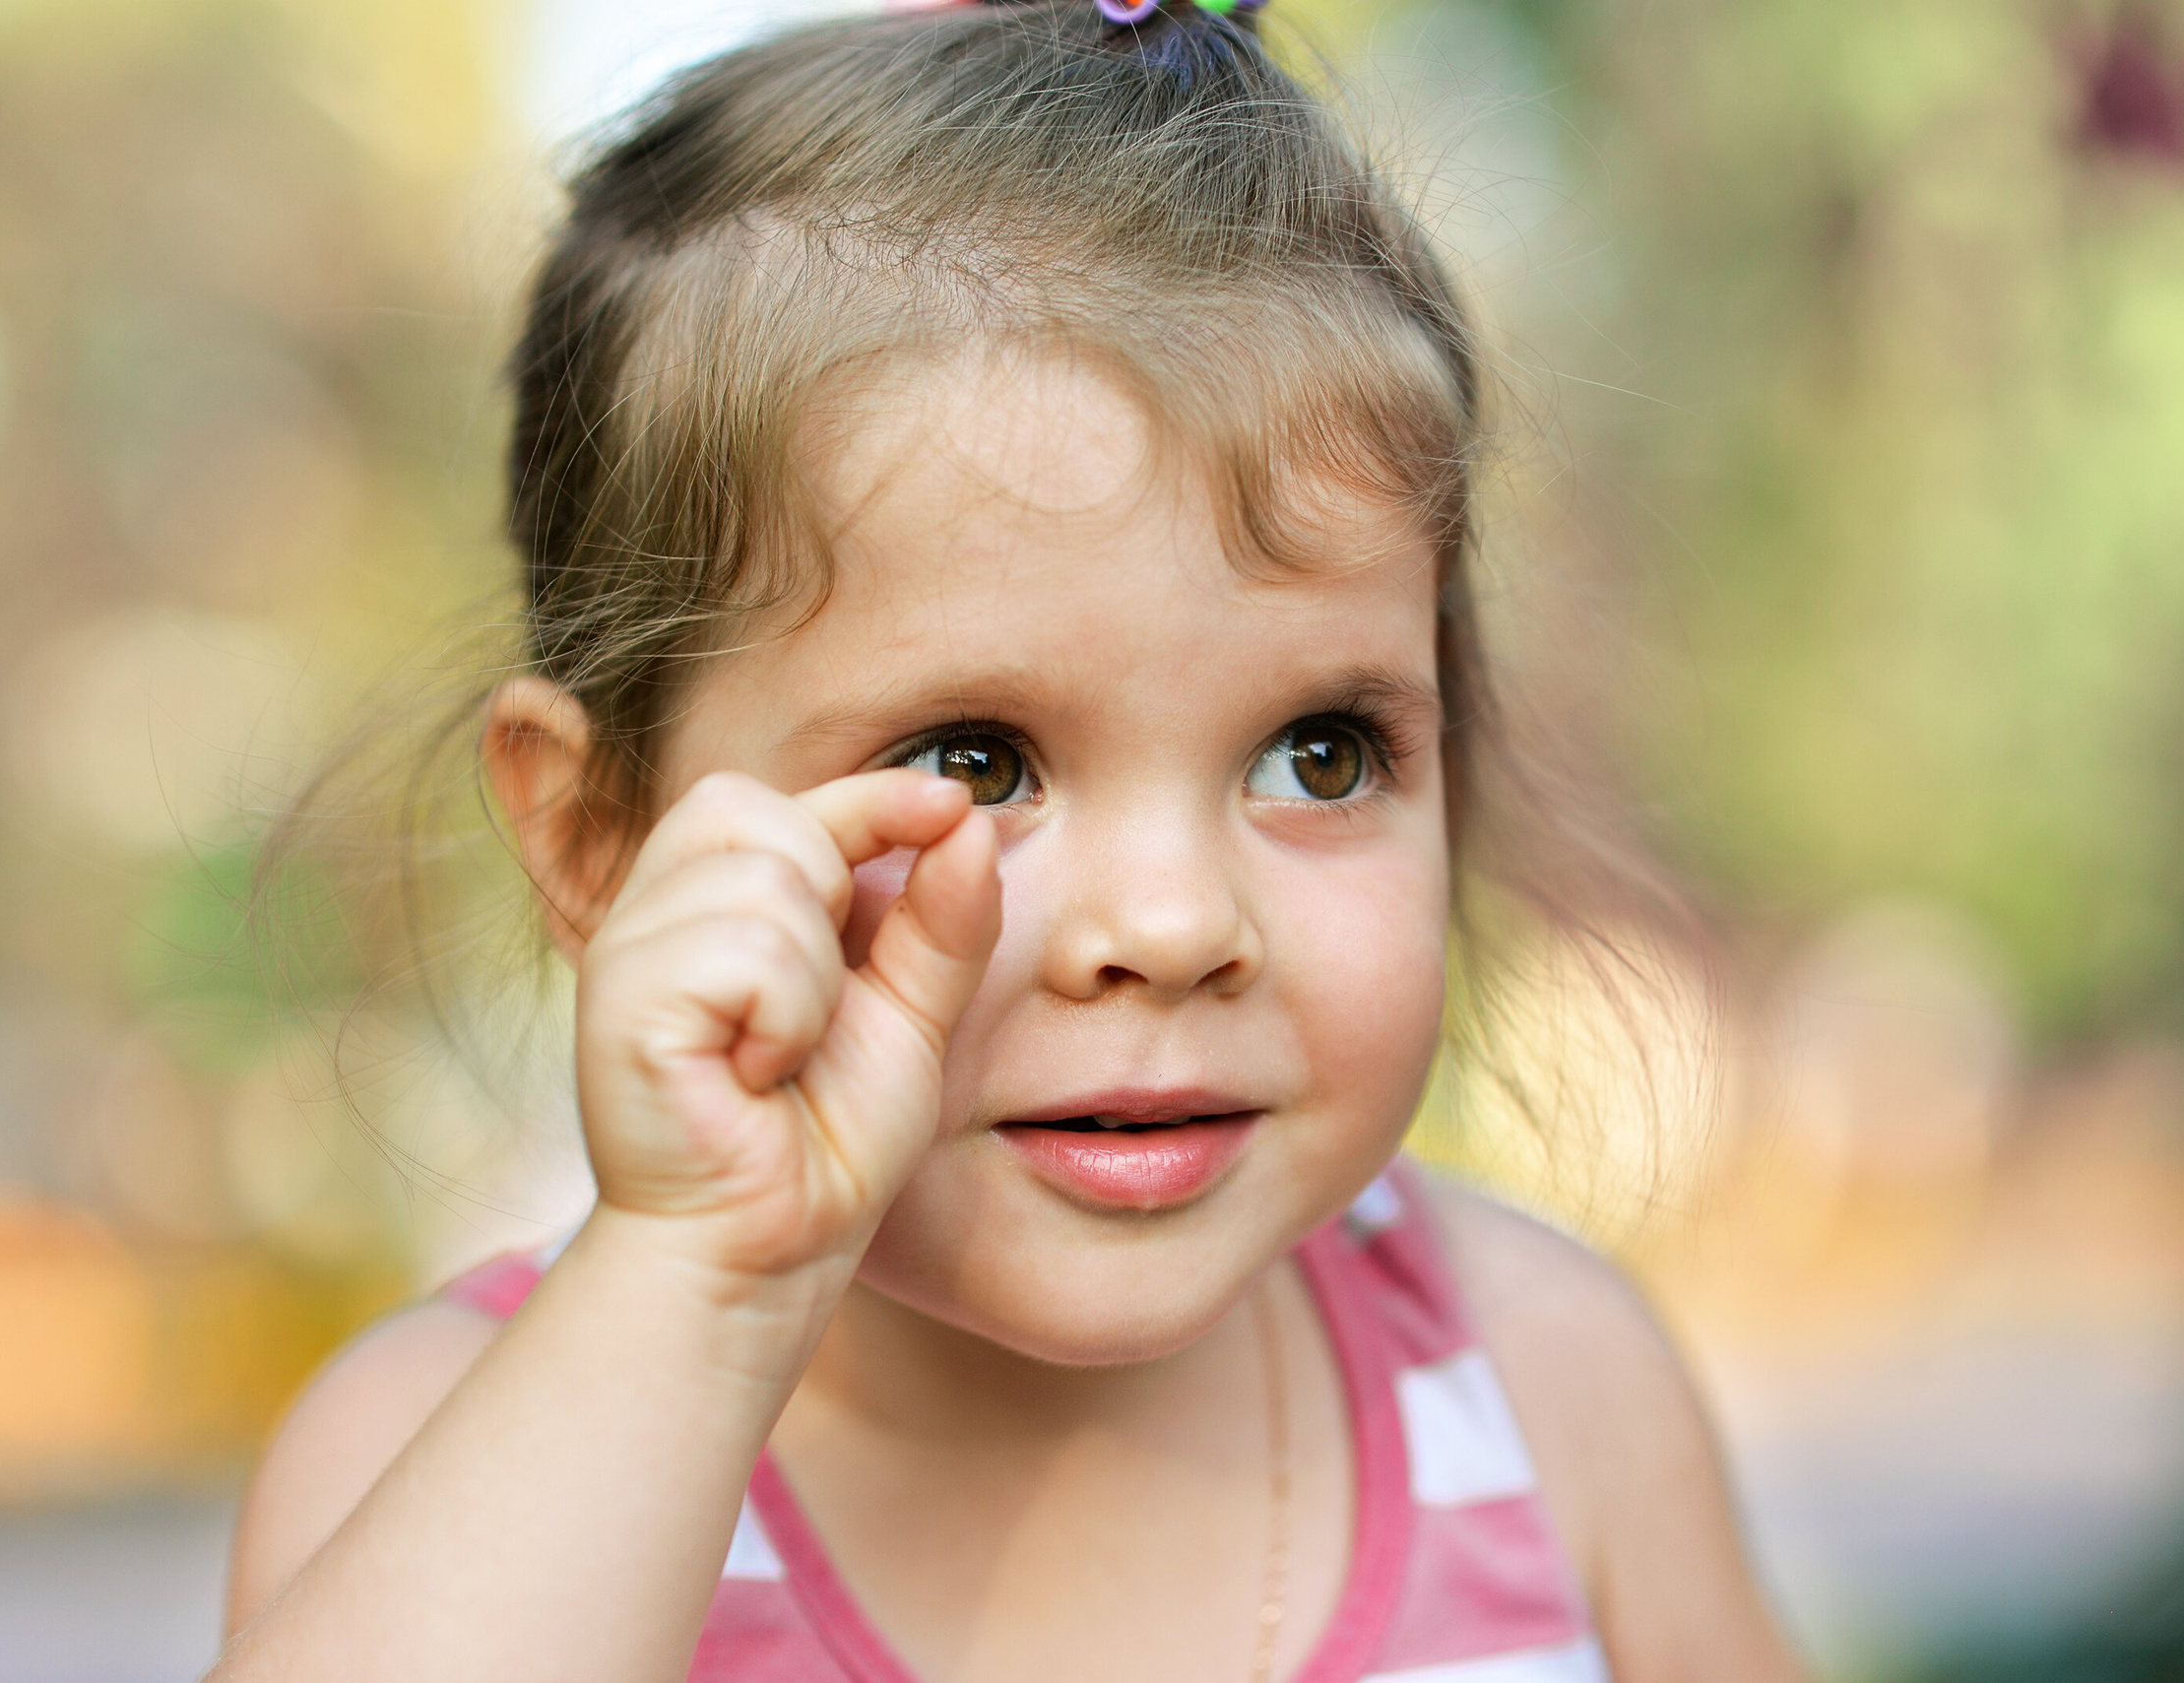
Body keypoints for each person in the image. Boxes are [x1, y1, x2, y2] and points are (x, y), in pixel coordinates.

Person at [213, 2, 1803, 1678]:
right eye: (977, 757)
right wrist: (700, 1277)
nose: (1178, 920)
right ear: (602, 838)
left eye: (1319, 753)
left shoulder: (1548, 1389)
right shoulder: (445, 1460)